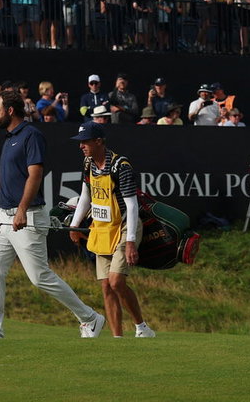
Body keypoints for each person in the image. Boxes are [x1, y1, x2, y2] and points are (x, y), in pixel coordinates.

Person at [0, 88, 103, 339]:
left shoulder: (31, 135)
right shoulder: (8, 139)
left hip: (27, 217)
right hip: (3, 219)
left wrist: (21, 211)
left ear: (9, 111)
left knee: (40, 277)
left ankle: (90, 318)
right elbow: (0, 182)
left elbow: (36, 174)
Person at [68, 122, 154, 338]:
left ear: (99, 142)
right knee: (106, 286)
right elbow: (86, 196)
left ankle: (142, 327)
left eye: (85, 142)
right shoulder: (88, 163)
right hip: (102, 229)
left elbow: (132, 205)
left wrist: (132, 241)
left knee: (116, 281)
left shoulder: (120, 165)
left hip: (126, 226)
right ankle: (118, 340)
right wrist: (74, 226)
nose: (81, 147)